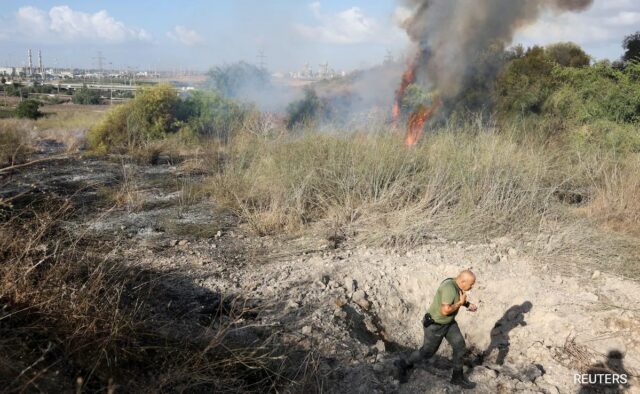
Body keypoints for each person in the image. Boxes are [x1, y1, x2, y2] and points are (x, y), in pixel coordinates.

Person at [395, 270, 478, 389]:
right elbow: (445, 311)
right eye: (471, 283)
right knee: (427, 352)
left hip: (449, 323)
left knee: (460, 346)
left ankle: (457, 377)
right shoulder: (449, 288)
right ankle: (405, 364)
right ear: (463, 281)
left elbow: (457, 299)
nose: (472, 286)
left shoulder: (457, 285)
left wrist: (467, 304)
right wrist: (460, 303)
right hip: (436, 325)